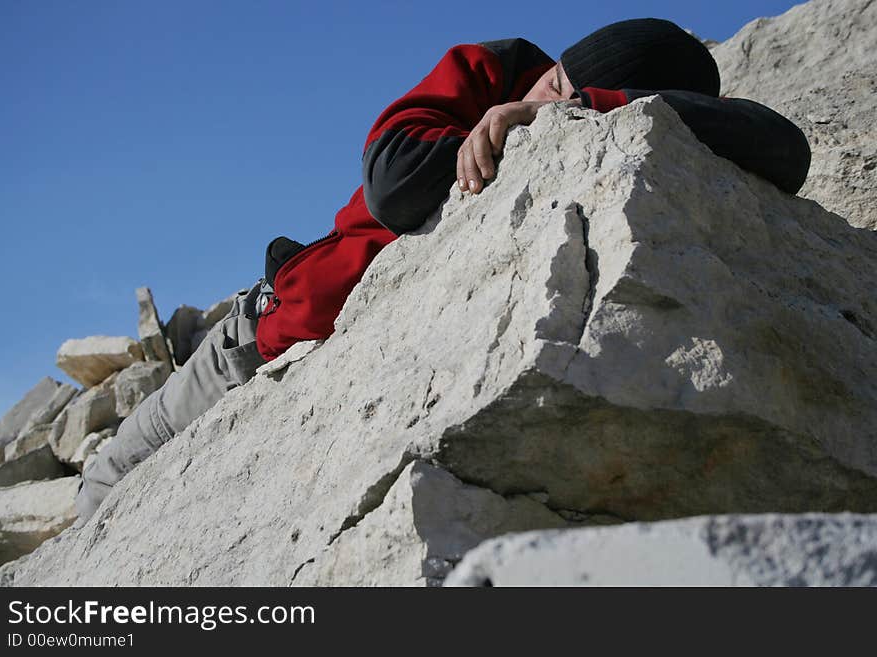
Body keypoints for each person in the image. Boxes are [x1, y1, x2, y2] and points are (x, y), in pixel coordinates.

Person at [75, 18, 811, 524]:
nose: (541, 103)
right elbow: (392, 181)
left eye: (566, 96)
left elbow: (786, 150)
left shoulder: (560, 110)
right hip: (252, 339)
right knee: (101, 489)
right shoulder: (492, 67)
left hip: (308, 379)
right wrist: (502, 115)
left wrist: (577, 111)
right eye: (552, 82)